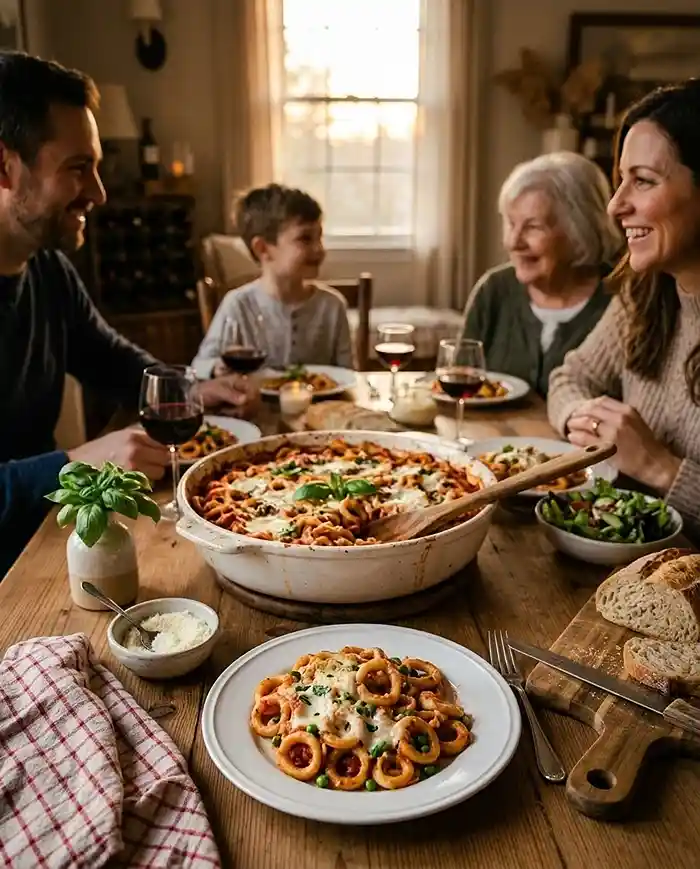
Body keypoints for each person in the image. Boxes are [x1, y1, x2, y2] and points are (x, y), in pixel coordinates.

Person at [0, 52, 258, 578]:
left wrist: (191, 390)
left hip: (51, 534)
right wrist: (73, 463)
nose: (98, 193)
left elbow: (112, 359)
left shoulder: (47, 269)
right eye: (78, 169)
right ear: (5, 167)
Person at [548, 80, 700, 541]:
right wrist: (587, 418)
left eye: (643, 181)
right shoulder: (646, 294)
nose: (616, 206)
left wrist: (658, 465)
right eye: (620, 181)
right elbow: (570, 377)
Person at [459, 151, 623, 395]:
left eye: (533, 227)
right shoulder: (494, 290)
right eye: (511, 224)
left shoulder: (622, 301)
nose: (514, 242)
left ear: (580, 232)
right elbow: (458, 383)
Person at [192, 183, 354, 377]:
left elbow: (349, 375)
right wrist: (216, 368)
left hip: (322, 407)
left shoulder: (333, 306)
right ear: (263, 248)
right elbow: (199, 366)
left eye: (319, 237)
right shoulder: (238, 305)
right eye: (305, 239)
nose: (319, 249)